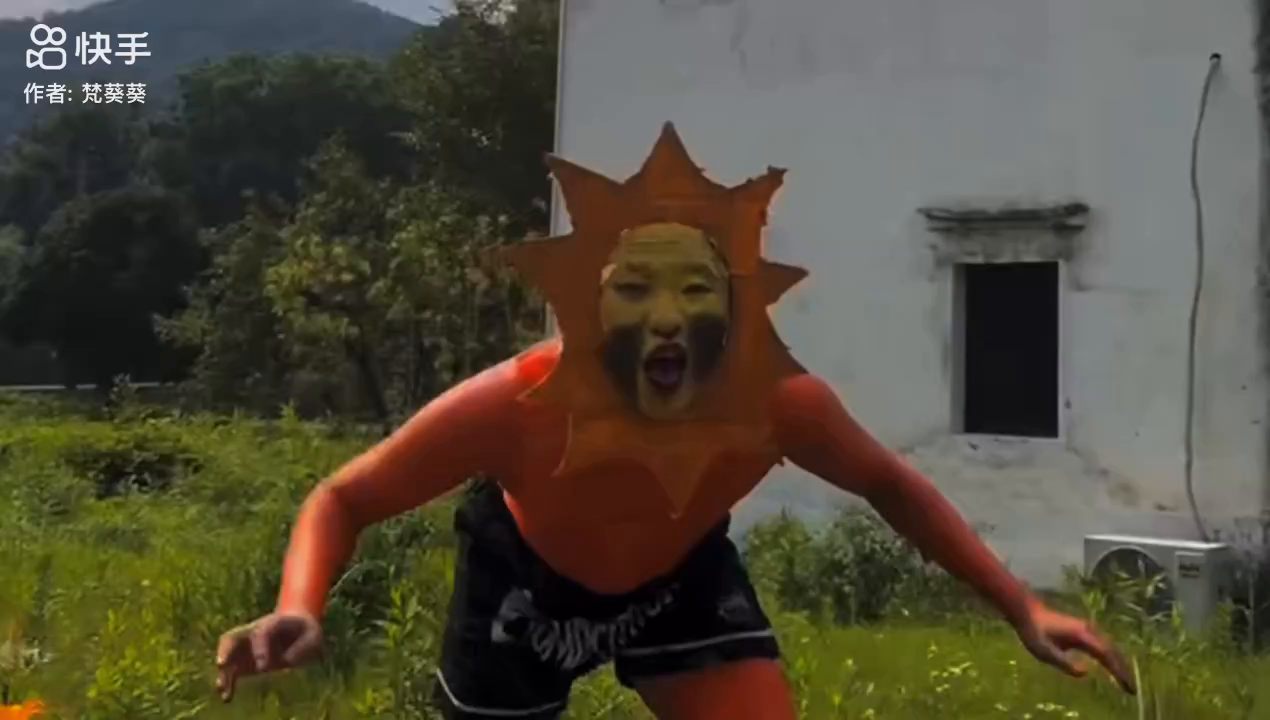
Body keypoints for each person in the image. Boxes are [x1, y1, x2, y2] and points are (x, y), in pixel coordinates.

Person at [215, 124, 1136, 719]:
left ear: (733, 313)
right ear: (587, 311)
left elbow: (891, 486)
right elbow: (345, 497)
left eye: (694, 289)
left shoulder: (779, 405)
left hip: (679, 579)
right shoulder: (516, 404)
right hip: (522, 592)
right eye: (632, 290)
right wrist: (299, 604)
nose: (664, 316)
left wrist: (1021, 604)